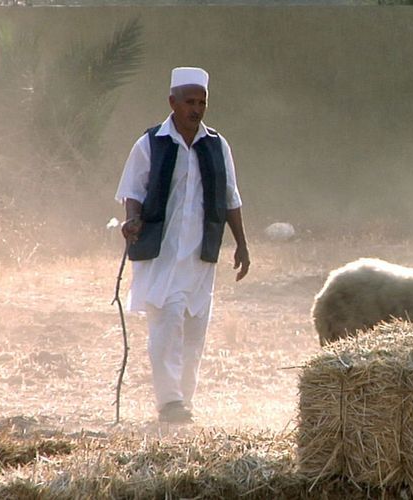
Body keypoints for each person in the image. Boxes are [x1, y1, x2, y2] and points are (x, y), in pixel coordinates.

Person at [115, 67, 250, 424]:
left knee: (194, 329)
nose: (197, 108)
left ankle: (183, 400)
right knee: (166, 322)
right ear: (172, 102)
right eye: (190, 101)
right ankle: (169, 400)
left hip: (199, 255)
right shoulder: (150, 143)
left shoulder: (217, 145)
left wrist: (242, 244)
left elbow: (230, 197)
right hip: (162, 253)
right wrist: (133, 219)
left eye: (202, 102)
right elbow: (133, 190)